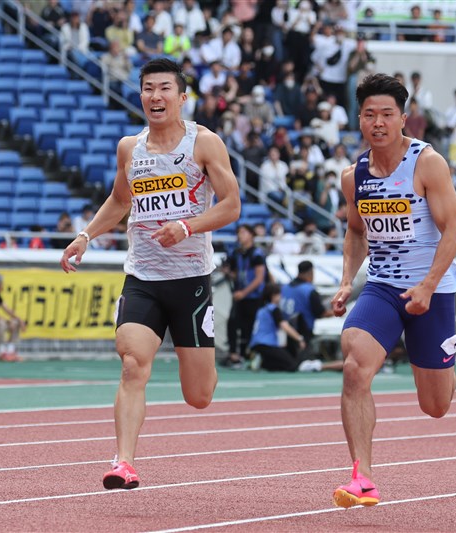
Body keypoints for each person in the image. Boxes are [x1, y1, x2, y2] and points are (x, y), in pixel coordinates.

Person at [59, 58, 240, 490]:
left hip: (191, 280)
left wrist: (187, 226)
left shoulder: (204, 143)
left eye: (163, 89)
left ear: (181, 97)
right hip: (142, 277)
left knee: (199, 396)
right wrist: (86, 236)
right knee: (132, 365)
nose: (154, 97)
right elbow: (120, 202)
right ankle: (124, 462)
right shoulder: (130, 148)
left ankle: (202, 372)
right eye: (147, 89)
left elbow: (231, 205)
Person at [330, 73, 456, 509]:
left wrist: (427, 285)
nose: (378, 122)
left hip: (433, 289)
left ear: (403, 118)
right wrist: (349, 279)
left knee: (436, 406)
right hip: (384, 286)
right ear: (360, 119)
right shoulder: (355, 176)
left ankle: (445, 357)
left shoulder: (428, 163)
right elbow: (355, 232)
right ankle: (362, 477)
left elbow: (452, 231)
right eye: (370, 114)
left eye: (387, 114)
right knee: (354, 365)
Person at [222, 224, 267, 368]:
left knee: (248, 326)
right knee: (232, 324)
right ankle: (233, 353)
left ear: (251, 235)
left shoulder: (257, 254)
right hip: (239, 296)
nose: (240, 235)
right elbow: (235, 274)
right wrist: (228, 273)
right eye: (239, 233)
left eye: (243, 232)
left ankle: (244, 354)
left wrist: (244, 292)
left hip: (252, 297)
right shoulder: (237, 253)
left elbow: (259, 278)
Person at [248, 283, 307, 372]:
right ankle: (263, 361)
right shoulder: (274, 309)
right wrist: (299, 338)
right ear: (273, 295)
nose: (281, 297)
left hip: (255, 343)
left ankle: (262, 360)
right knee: (292, 365)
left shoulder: (261, 309)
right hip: (266, 343)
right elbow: (284, 326)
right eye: (279, 294)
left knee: (279, 360)